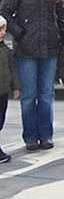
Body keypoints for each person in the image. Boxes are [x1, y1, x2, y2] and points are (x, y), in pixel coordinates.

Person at [0, 0, 64, 151]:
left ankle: (46, 135)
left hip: (50, 48)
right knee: (29, 95)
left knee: (47, 94)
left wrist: (63, 28)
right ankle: (30, 136)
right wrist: (20, 33)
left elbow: (62, 12)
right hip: (25, 50)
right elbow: (4, 13)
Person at [0, 16, 20, 163]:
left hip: (3, 92)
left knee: (1, 120)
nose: (2, 33)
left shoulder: (6, 50)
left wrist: (16, 87)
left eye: (3, 29)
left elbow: (12, 70)